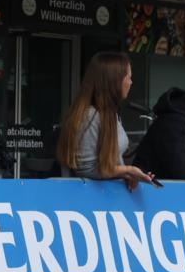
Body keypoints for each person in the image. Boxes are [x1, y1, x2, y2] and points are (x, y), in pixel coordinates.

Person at [56, 52, 154, 190]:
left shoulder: (109, 114)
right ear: (114, 81)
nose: (131, 83)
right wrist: (127, 171)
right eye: (129, 77)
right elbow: (85, 170)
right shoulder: (90, 116)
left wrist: (130, 174)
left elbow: (109, 164)